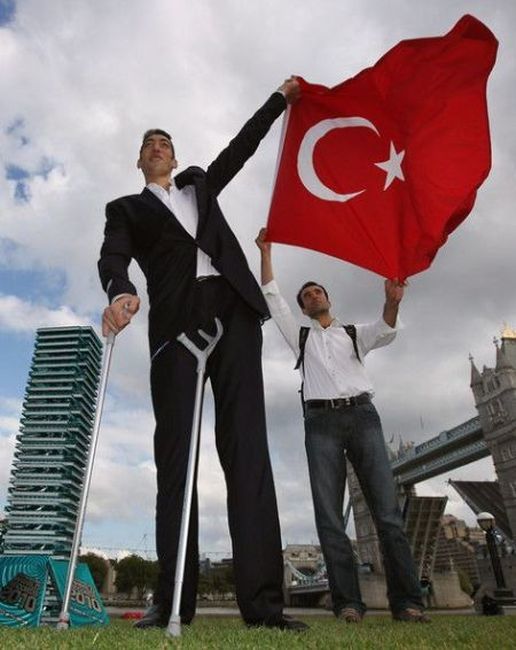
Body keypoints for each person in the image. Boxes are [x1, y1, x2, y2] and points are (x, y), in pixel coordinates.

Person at [98, 79, 308, 632]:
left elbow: (243, 145)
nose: (158, 147)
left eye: (164, 141)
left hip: (234, 315)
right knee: (176, 459)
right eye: (148, 144)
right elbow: (113, 254)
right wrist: (119, 289)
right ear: (140, 161)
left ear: (176, 154)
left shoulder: (200, 185)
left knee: (247, 452)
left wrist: (279, 100)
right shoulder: (125, 208)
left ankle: (265, 607)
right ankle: (171, 603)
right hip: (175, 327)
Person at [255, 228, 429, 623]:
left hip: (363, 417)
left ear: (329, 299)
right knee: (330, 518)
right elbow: (271, 296)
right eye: (306, 296)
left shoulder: (353, 334)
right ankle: (348, 604)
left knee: (387, 513)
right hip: (320, 425)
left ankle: (409, 604)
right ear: (302, 309)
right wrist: (266, 251)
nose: (313, 296)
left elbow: (386, 330)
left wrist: (391, 301)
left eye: (318, 291)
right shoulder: (299, 336)